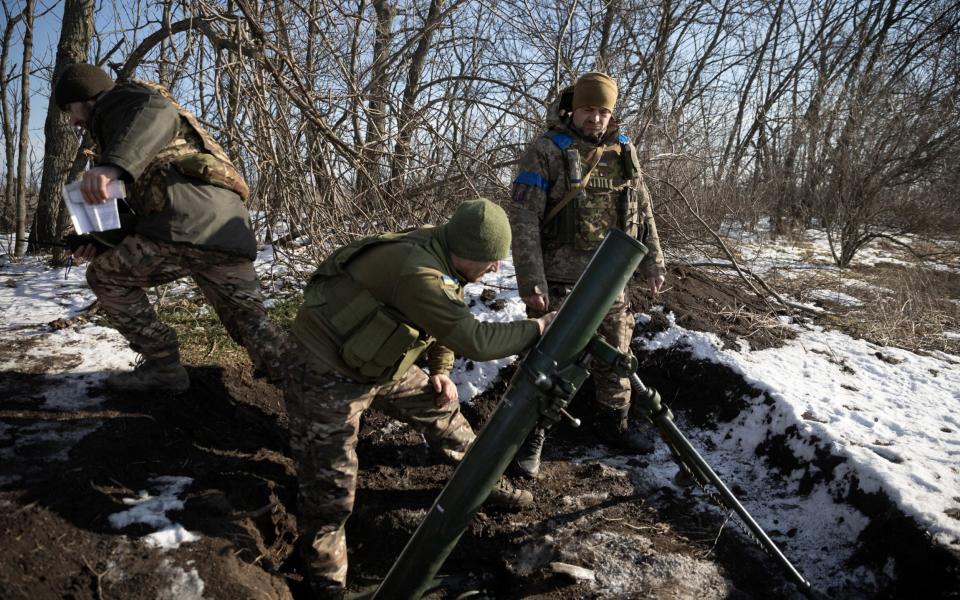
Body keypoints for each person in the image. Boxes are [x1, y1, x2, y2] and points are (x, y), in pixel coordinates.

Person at [283, 199, 555, 596]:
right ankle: (326, 580)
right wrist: (538, 328)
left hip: (379, 359)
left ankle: (482, 481)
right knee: (331, 490)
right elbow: (475, 339)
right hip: (326, 372)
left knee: (441, 408)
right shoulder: (419, 270)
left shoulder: (443, 251)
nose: (496, 268)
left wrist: (441, 371)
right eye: (490, 259)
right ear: (465, 251)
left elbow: (447, 313)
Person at [53, 63, 285, 391]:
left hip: (183, 227)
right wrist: (98, 244)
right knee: (253, 326)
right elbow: (140, 216)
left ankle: (164, 368)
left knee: (105, 278)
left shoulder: (122, 100)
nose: (72, 121)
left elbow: (158, 110)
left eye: (69, 109)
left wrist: (111, 167)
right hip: (228, 233)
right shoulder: (128, 133)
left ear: (85, 96)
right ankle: (319, 396)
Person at [507, 72, 667, 478]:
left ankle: (615, 425)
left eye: (603, 111)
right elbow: (523, 219)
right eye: (588, 109)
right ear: (572, 108)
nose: (595, 118)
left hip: (613, 280)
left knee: (617, 357)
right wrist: (532, 282)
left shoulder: (624, 149)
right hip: (561, 284)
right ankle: (529, 439)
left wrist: (654, 262)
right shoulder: (545, 151)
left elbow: (642, 207)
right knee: (548, 365)